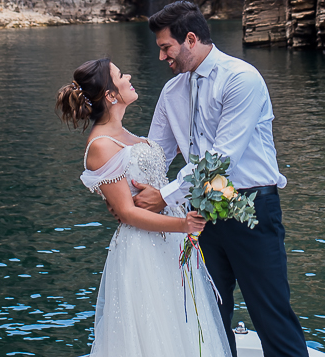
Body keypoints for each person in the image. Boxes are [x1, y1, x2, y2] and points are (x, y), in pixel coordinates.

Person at [133, 1, 310, 357]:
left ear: (191, 39)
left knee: (270, 313)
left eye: (166, 47)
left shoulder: (241, 79)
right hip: (199, 219)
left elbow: (220, 160)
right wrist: (125, 188)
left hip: (251, 210)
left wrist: (164, 196)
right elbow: (156, 155)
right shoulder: (171, 93)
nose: (162, 57)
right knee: (208, 316)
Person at [56, 56, 231, 357]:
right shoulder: (101, 146)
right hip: (144, 249)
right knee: (154, 330)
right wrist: (183, 224)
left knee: (182, 325)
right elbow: (126, 212)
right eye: (121, 75)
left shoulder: (127, 135)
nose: (129, 75)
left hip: (169, 244)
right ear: (111, 95)